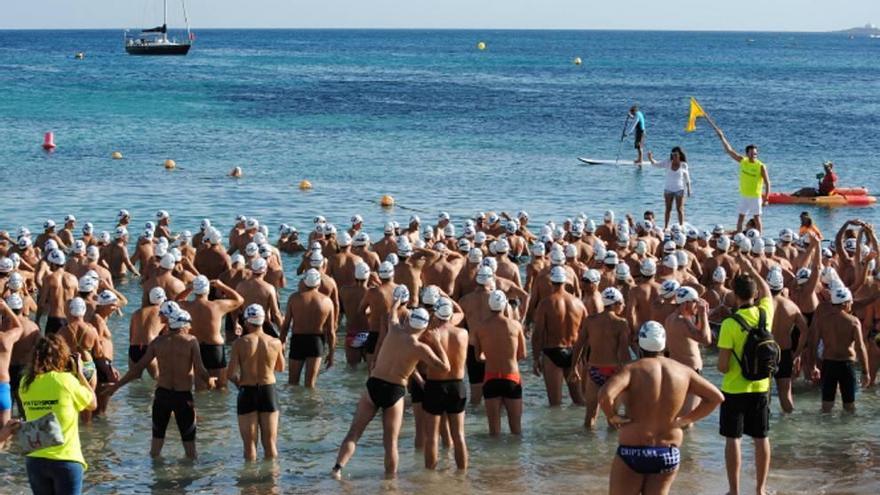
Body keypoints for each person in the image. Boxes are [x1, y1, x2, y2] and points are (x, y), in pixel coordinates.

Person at [600, 321, 724, 495]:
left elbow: (605, 395)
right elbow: (716, 397)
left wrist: (612, 416)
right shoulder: (683, 371)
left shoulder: (631, 369)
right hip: (667, 451)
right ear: (664, 343)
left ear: (639, 343)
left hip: (633, 449)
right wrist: (686, 420)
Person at [331, 307, 449, 479]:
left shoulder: (393, 329)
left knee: (354, 433)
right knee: (391, 443)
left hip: (374, 385)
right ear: (424, 327)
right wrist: (437, 342)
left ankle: (337, 469)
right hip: (395, 390)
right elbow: (445, 368)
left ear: (408, 320)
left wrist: (398, 301)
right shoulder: (421, 348)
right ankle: (389, 483)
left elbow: (392, 312)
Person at [106, 310, 215, 459]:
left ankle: (154, 480)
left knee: (155, 448)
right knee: (190, 449)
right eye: (188, 324)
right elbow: (200, 369)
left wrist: (115, 387)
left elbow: (137, 370)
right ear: (183, 325)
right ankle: (189, 479)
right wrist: (209, 381)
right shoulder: (191, 341)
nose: (190, 327)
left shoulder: (157, 342)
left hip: (162, 396)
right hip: (183, 397)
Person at [716, 256, 773, 495]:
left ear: (735, 296)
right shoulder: (764, 314)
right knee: (761, 438)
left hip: (734, 388)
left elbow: (722, 366)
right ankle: (760, 489)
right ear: (755, 293)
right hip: (761, 386)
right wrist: (751, 269)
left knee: (733, 439)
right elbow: (768, 292)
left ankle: (734, 490)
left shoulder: (729, 323)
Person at [18, 334, 96, 495]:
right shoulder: (66, 381)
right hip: (65, 459)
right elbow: (93, 403)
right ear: (62, 356)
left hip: (35, 458)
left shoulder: (25, 382)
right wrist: (80, 374)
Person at [227, 304, 284, 460]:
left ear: (246, 322)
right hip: (268, 391)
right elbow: (280, 367)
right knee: (270, 444)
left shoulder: (239, 343)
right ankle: (272, 482)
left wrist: (239, 384)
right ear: (263, 320)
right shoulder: (275, 342)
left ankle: (249, 482)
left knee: (249, 446)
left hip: (247, 391)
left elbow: (230, 373)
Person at [421, 297, 469, 470]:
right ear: (450, 315)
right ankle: (462, 475)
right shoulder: (463, 334)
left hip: (435, 386)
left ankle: (430, 478)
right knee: (459, 435)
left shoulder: (429, 335)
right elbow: (460, 313)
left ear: (435, 313)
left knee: (432, 437)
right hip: (458, 386)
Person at [808, 285, 871, 412]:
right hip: (847, 365)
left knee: (826, 407)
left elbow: (813, 343)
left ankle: (825, 431)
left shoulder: (823, 320)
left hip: (829, 364)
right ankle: (847, 432)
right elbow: (860, 347)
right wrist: (866, 372)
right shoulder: (853, 322)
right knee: (849, 407)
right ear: (846, 303)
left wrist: (812, 366)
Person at [472, 290, 527, 435]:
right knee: (516, 430)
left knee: (494, 432)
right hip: (511, 377)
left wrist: (491, 357)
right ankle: (515, 458)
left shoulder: (480, 327)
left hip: (491, 378)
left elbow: (478, 358)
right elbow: (523, 354)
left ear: (489, 306)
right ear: (505, 306)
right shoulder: (515, 325)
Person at [708, 120, 771, 233]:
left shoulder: (761, 166)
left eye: (755, 154)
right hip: (744, 195)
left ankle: (759, 238)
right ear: (747, 153)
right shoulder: (743, 161)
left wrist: (766, 198)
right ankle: (739, 236)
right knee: (741, 217)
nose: (754, 155)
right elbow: (729, 151)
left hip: (755, 197)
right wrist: (721, 137)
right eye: (752, 153)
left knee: (757, 218)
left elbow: (767, 183)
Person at [647, 147, 691, 229]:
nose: (674, 156)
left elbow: (687, 178)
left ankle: (681, 227)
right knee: (668, 209)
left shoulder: (684, 165)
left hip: (679, 189)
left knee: (680, 209)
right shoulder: (668, 162)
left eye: (676, 154)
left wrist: (689, 189)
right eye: (672, 154)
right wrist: (650, 158)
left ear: (679, 155)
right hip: (668, 189)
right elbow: (656, 164)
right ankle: (666, 227)